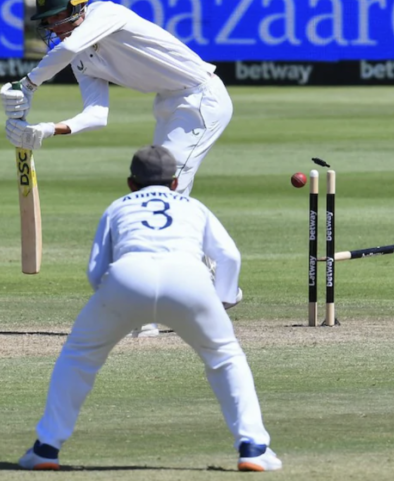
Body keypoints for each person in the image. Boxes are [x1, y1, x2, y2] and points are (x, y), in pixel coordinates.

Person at [17, 145, 282, 473]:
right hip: (189, 279)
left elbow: (95, 271)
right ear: (174, 183)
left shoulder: (117, 206)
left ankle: (46, 448)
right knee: (226, 357)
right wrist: (221, 300)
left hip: (128, 276)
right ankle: (253, 449)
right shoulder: (194, 206)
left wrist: (115, 303)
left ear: (131, 183)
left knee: (78, 356)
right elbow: (230, 257)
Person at [0, 0, 233, 337]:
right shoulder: (77, 54)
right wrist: (47, 129)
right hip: (170, 106)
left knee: (163, 197)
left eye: (56, 19)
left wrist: (27, 84)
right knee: (166, 197)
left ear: (78, 8)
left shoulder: (106, 15)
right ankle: (218, 289)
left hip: (201, 99)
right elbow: (97, 114)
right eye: (46, 22)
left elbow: (67, 47)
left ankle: (158, 308)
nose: (52, 28)